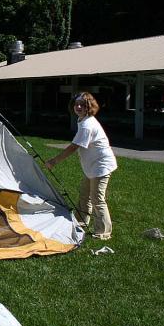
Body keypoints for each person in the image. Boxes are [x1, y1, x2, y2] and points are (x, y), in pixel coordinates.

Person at [45, 92, 118, 240]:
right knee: (85, 195)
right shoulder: (83, 120)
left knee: (97, 198)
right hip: (92, 166)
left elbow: (74, 147)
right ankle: (80, 222)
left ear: (88, 107)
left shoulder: (87, 125)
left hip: (101, 166)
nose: (78, 107)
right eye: (76, 104)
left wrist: (54, 161)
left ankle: (103, 232)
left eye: (82, 105)